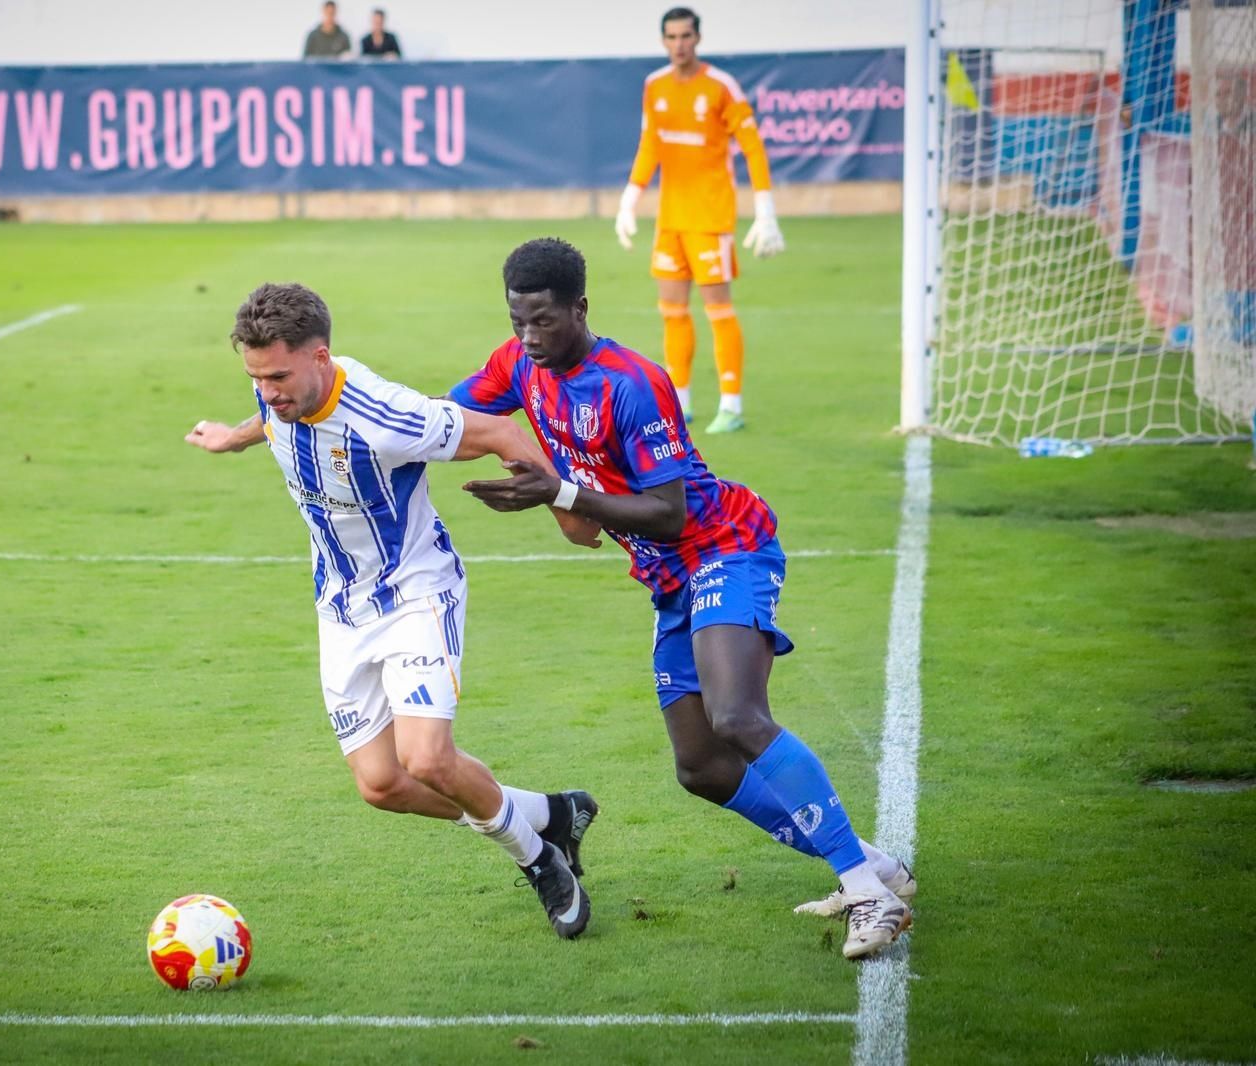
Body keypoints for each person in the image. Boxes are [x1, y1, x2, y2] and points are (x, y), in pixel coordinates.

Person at [447, 239, 915, 960]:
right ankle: (872, 864)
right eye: (518, 322)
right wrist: (327, 411)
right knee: (701, 767)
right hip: (668, 579)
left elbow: (668, 513)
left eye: (544, 321)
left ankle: (866, 893)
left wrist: (560, 493)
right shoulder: (518, 365)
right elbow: (439, 416)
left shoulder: (633, 383)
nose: (530, 338)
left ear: (580, 308)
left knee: (737, 717)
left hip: (724, 546)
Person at [186, 282, 600, 939]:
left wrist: (570, 514)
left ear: (321, 357)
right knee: (381, 785)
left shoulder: (388, 416)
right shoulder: (279, 391)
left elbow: (501, 431)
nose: (267, 391)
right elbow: (268, 417)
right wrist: (232, 439)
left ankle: (540, 860)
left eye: (277, 378)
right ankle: (551, 815)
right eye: (255, 378)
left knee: (427, 759)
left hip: (416, 592)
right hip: (340, 605)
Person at [614, 6, 786, 435]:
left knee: (719, 310)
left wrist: (765, 212)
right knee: (672, 312)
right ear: (663, 41)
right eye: (672, 37)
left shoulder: (720, 86)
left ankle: (731, 405)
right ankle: (681, 401)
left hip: (710, 218)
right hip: (670, 220)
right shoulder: (654, 85)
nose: (679, 45)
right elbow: (650, 144)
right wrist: (629, 200)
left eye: (686, 36)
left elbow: (753, 148)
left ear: (698, 38)